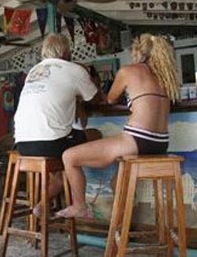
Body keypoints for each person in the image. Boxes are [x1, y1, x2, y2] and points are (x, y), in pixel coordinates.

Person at [58, 34, 180, 219]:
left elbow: (110, 98)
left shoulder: (128, 71)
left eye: (132, 52)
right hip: (160, 144)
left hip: (136, 139)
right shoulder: (164, 77)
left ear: (138, 51)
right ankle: (124, 226)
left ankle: (79, 207)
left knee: (69, 156)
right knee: (117, 181)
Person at [13, 33, 98, 212]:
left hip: (22, 145)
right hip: (50, 144)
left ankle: (42, 205)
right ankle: (81, 204)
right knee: (94, 135)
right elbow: (96, 100)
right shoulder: (74, 69)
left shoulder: (33, 72)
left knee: (61, 171)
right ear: (67, 51)